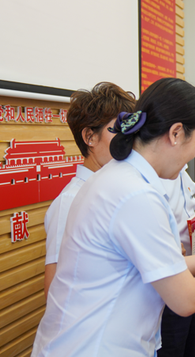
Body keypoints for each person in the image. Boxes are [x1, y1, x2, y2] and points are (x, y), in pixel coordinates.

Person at [30, 78, 195, 357]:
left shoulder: (119, 178)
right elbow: (185, 299)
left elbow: (155, 267)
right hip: (93, 356)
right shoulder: (134, 194)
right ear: (176, 133)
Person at [43, 82, 135, 298]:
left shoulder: (118, 189)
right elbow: (55, 291)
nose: (128, 141)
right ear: (90, 137)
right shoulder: (69, 201)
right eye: (119, 130)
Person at [157, 165, 195, 357]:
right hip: (170, 282)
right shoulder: (155, 176)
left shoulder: (183, 172)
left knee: (188, 353)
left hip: (193, 273)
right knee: (170, 354)